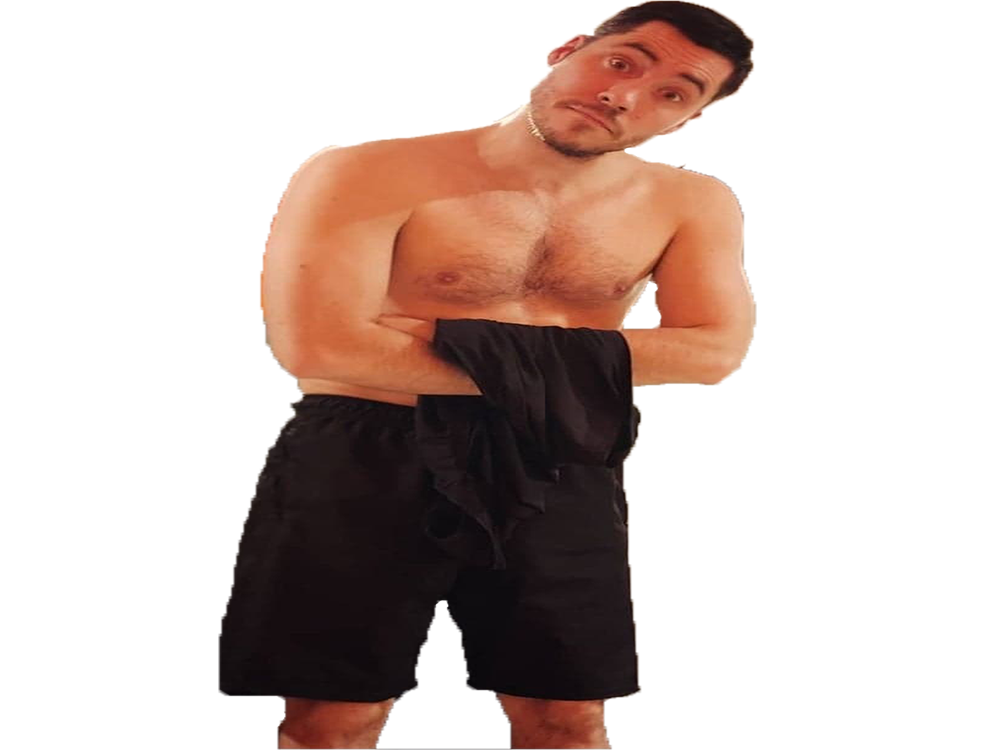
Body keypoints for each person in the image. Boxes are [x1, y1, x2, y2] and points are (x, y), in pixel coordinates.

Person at [219, 2, 756, 748]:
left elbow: (713, 353)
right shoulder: (367, 170)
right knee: (333, 719)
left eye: (672, 93)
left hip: (555, 457)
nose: (624, 95)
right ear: (566, 49)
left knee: (568, 718)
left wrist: (444, 339)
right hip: (366, 448)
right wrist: (568, 369)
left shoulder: (689, 203)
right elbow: (322, 348)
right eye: (620, 62)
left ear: (686, 120)